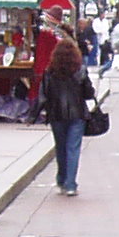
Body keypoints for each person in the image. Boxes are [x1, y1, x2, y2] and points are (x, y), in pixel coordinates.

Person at [39, 35, 91, 196]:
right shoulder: (80, 70)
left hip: (56, 114)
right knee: (73, 148)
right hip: (77, 114)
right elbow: (89, 93)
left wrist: (39, 111)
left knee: (60, 147)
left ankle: (62, 179)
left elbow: (44, 93)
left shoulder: (50, 71)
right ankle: (70, 184)